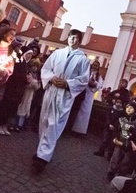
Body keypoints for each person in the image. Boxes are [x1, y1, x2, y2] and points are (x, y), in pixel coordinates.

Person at [32, 29, 90, 174]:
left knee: (54, 124)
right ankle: (42, 151)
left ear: (80, 41)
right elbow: (46, 69)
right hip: (51, 91)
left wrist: (68, 84)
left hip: (64, 95)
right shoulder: (58, 53)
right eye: (71, 37)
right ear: (68, 38)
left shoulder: (82, 59)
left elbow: (83, 80)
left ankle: (42, 159)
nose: (73, 40)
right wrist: (51, 78)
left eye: (76, 38)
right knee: (44, 121)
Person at [107, 101, 136, 181]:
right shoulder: (121, 118)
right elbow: (116, 129)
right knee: (115, 157)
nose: (129, 109)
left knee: (125, 161)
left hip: (128, 144)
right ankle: (111, 172)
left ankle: (120, 175)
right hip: (119, 141)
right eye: (128, 107)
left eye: (131, 108)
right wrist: (115, 137)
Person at [71, 60, 104, 135]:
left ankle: (80, 130)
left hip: (89, 95)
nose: (94, 66)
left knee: (85, 112)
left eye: (96, 66)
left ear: (98, 67)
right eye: (94, 65)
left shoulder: (99, 76)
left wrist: (94, 83)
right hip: (81, 92)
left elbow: (99, 85)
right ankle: (72, 128)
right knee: (77, 110)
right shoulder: (86, 72)